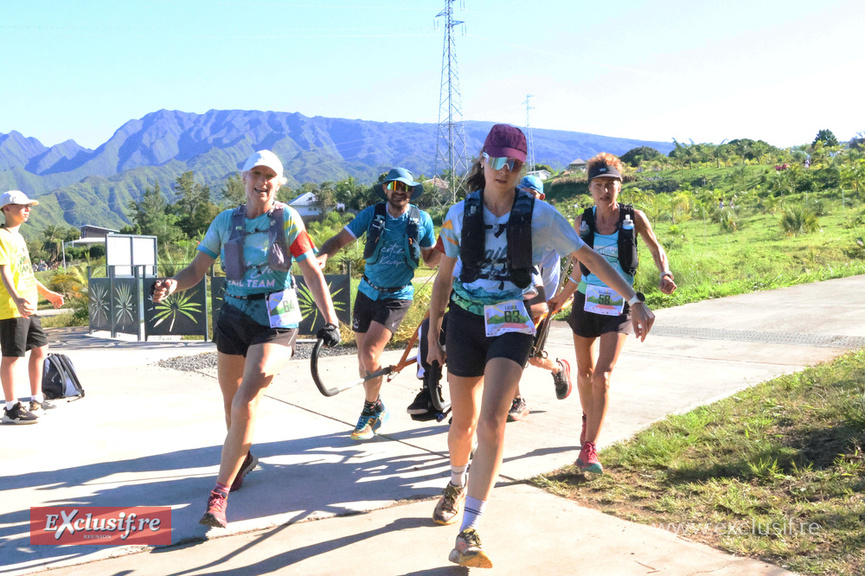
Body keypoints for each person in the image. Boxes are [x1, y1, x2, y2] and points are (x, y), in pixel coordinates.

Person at [427, 125, 654, 569]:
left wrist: (635, 299)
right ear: (483, 161)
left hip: (513, 320)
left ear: (521, 167)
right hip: (467, 321)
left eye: (515, 163)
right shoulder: (460, 213)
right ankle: (456, 480)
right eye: (498, 160)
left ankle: (469, 528)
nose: (505, 170)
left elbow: (589, 258)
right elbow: (443, 277)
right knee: (463, 425)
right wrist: (434, 334)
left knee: (493, 419)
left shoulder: (539, 216)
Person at [151, 150, 341, 528]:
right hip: (234, 317)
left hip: (275, 321)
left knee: (246, 398)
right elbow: (196, 269)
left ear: (278, 183)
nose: (262, 182)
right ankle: (244, 459)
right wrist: (172, 284)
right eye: (257, 174)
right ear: (244, 179)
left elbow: (309, 271)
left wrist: (330, 319)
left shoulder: (287, 219)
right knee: (230, 405)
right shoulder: (224, 222)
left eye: (270, 176)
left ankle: (218, 496)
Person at [549, 152, 676, 476]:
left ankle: (589, 448)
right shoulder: (584, 221)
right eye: (599, 185)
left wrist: (665, 272)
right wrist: (561, 298)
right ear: (590, 188)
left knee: (603, 375)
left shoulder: (634, 218)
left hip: (619, 305)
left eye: (611, 184)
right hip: (585, 304)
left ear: (620, 186)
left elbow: (655, 247)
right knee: (585, 373)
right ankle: (587, 418)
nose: (606, 191)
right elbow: (578, 268)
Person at [316, 168, 438, 440]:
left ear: (411, 191)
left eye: (405, 186)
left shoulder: (422, 219)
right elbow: (339, 239)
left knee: (370, 353)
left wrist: (450, 245)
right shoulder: (371, 215)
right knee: (364, 358)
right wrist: (323, 255)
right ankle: (378, 405)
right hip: (367, 292)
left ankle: (369, 410)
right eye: (394, 185)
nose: (400, 190)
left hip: (398, 295)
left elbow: (430, 259)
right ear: (386, 188)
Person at [507, 175, 573, 423]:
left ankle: (557, 368)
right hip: (513, 298)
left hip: (542, 302)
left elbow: (575, 251)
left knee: (531, 357)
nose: (525, 198)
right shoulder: (509, 222)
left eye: (531, 194)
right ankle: (517, 400)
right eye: (521, 192)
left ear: (541, 198)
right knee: (510, 351)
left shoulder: (550, 223)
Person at [0, 190, 65, 424]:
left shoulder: (19, 237)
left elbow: (26, 272)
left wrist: (47, 293)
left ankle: (37, 397)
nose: (27, 209)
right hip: (11, 308)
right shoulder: (2, 236)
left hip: (28, 306)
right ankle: (11, 408)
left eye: (29, 206)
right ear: (7, 208)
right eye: (22, 206)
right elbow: (4, 270)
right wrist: (17, 298)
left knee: (40, 348)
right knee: (11, 357)